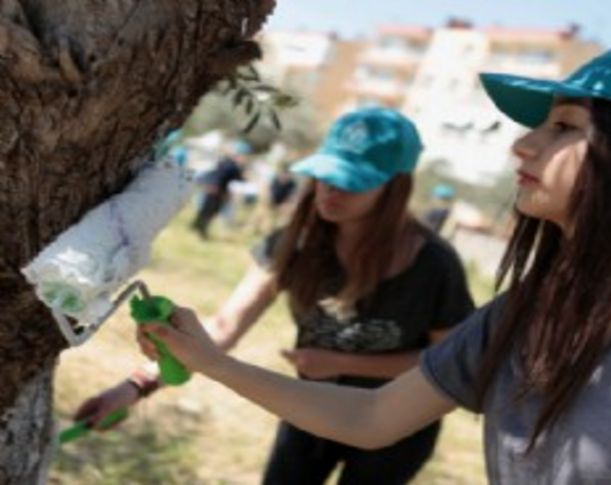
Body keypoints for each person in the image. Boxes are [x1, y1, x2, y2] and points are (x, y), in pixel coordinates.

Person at [136, 40, 611, 483]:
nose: (522, 146)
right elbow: (370, 418)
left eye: (564, 127)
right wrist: (213, 362)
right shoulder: (528, 310)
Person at [76, 108, 476, 484]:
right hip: (309, 409)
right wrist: (133, 387)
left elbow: (451, 366)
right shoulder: (293, 245)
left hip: (397, 426)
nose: (330, 190)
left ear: (395, 188)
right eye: (325, 174)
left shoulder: (435, 266)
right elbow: (224, 328)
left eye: (353, 181)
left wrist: (340, 361)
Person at [191, 140, 250, 240]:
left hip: (216, 189)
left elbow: (235, 178)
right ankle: (200, 229)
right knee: (209, 211)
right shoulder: (230, 164)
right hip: (215, 189)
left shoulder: (228, 162)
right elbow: (235, 177)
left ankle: (197, 227)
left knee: (208, 210)